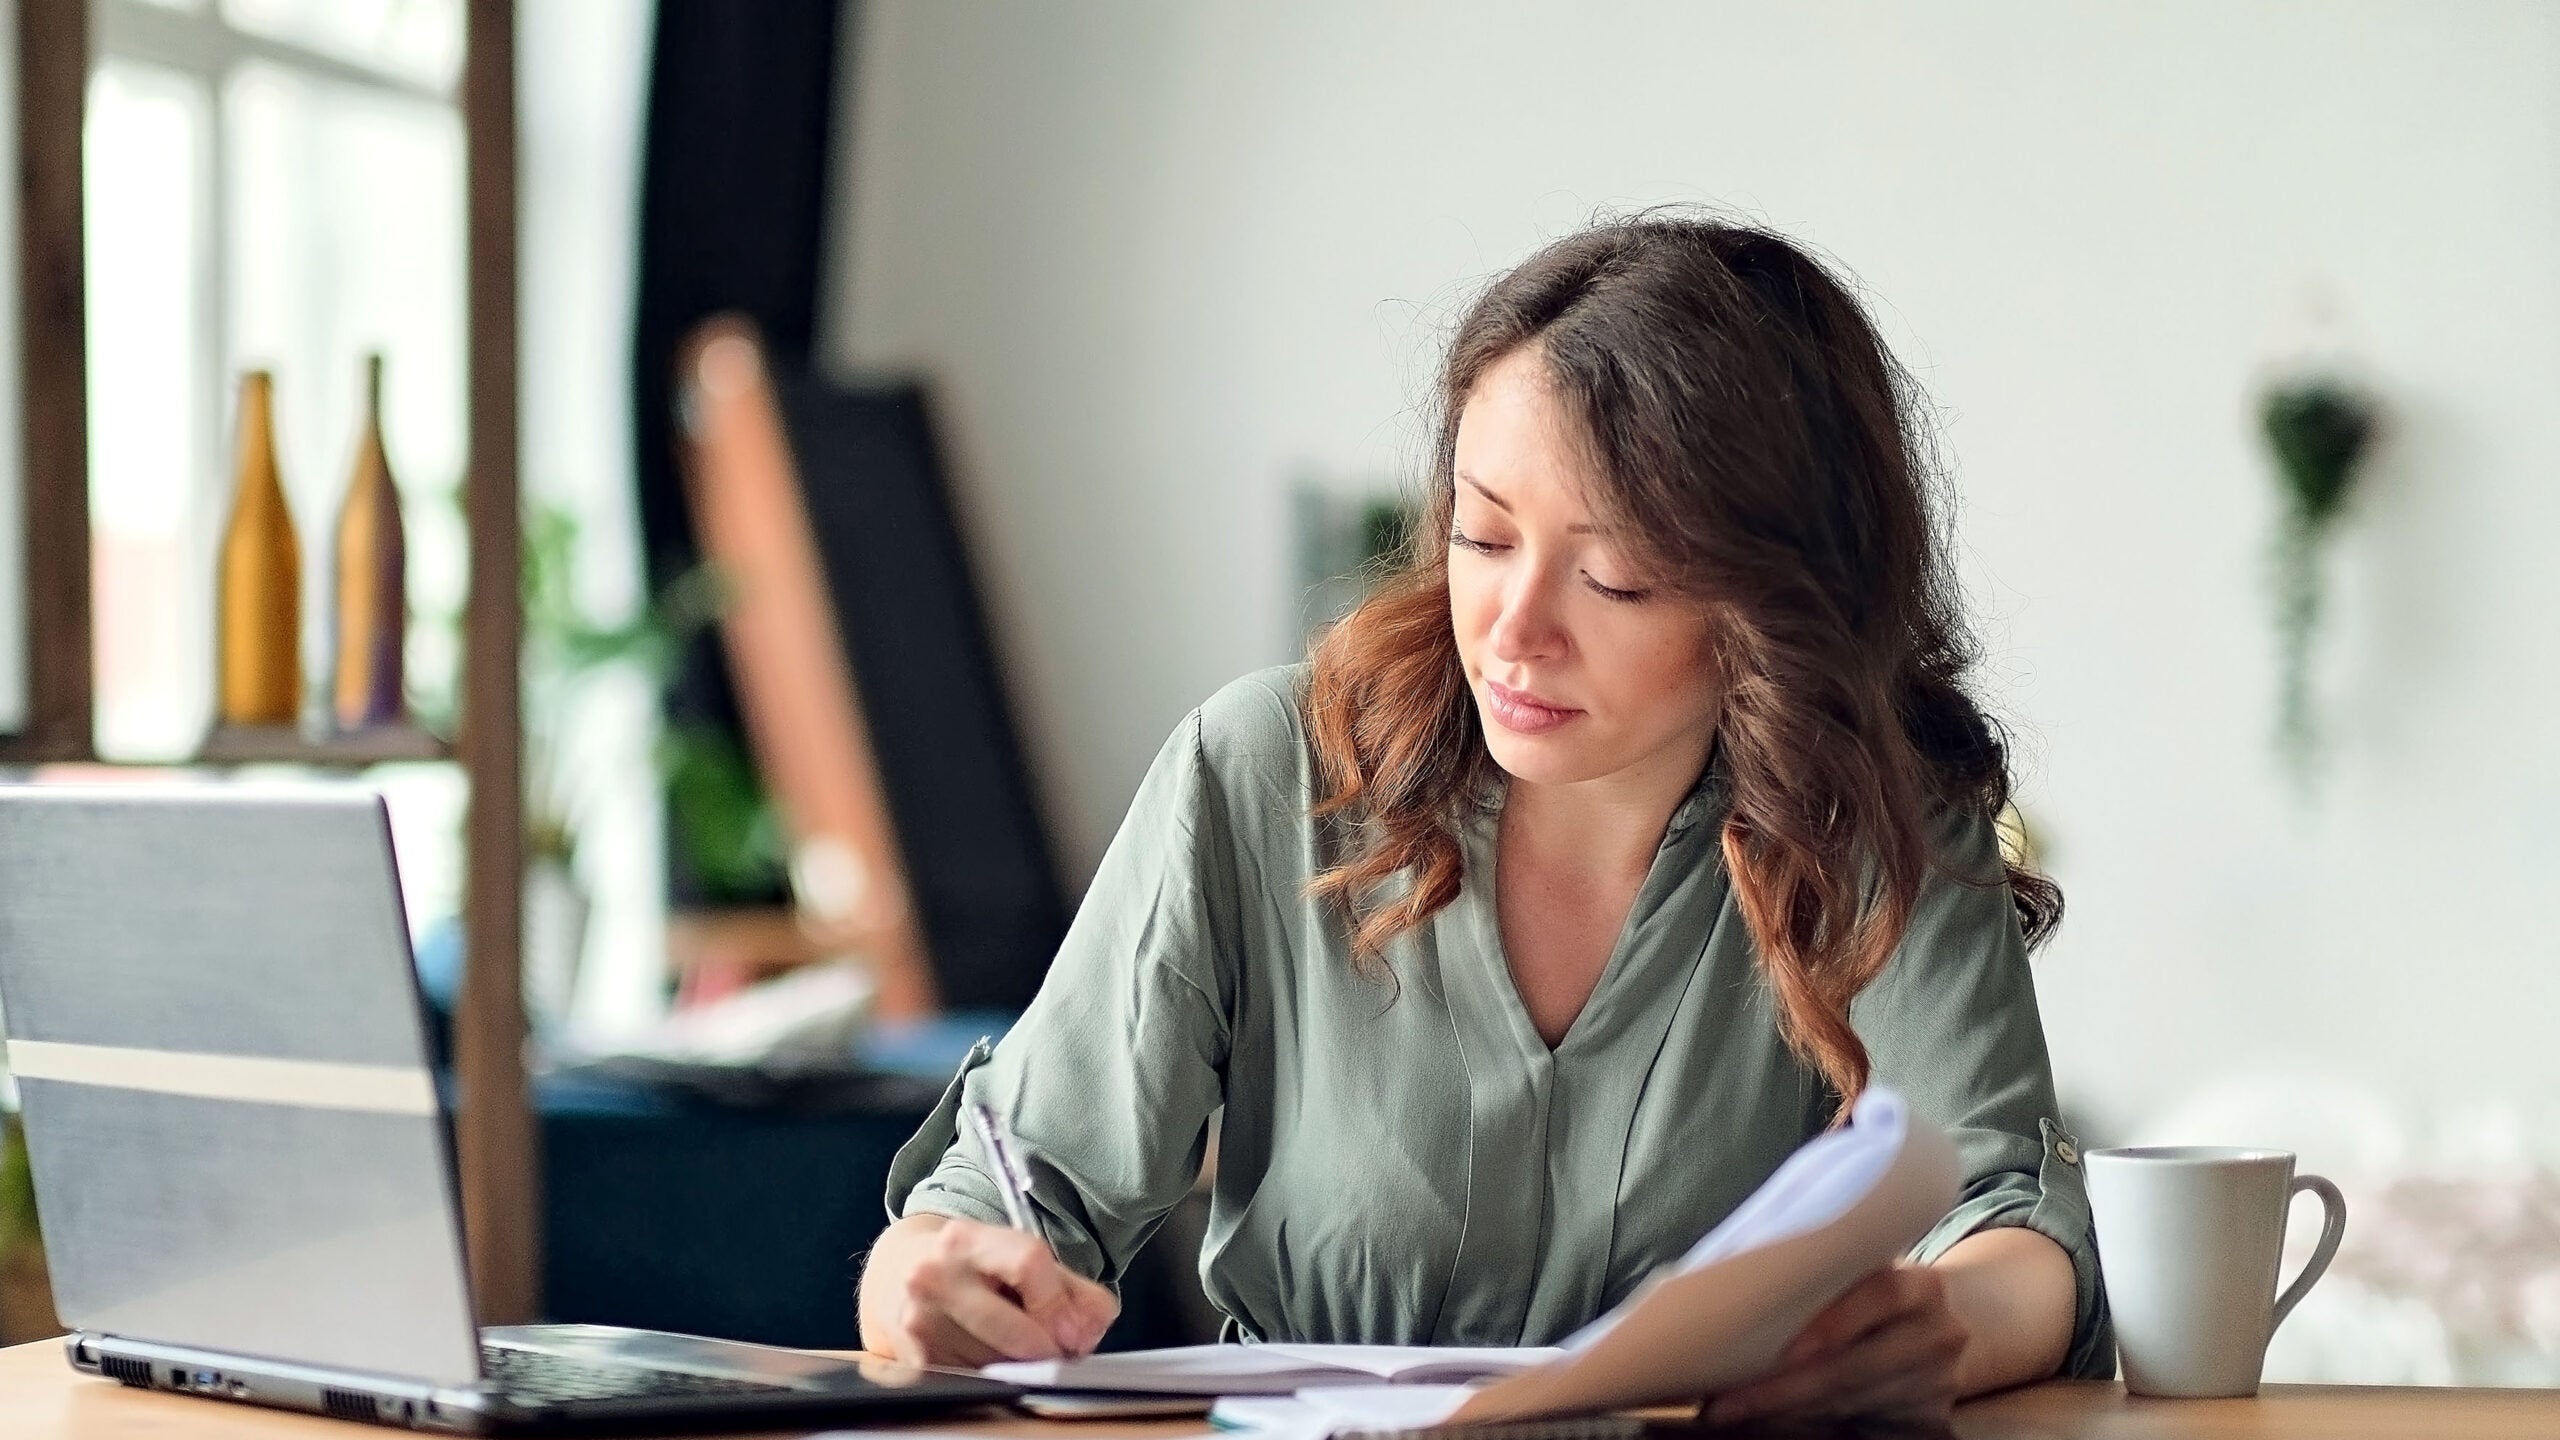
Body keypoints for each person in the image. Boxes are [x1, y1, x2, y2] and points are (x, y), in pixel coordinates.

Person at [856, 211, 2110, 1424]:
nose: (1511, 631)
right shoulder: (1260, 773)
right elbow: (1014, 1188)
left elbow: (2007, 1216)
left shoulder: (1873, 824)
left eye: (1612, 575)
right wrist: (925, 1276)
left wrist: (1936, 1329)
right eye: (1482, 533)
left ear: (1777, 602)